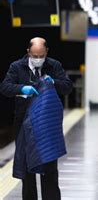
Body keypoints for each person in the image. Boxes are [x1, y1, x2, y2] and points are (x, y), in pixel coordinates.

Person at [0, 37, 73, 200]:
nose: (38, 59)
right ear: (28, 53)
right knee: (27, 172)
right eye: (35, 56)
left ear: (47, 52)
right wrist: (21, 88)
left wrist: (53, 82)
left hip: (47, 127)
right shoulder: (17, 67)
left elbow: (68, 86)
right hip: (24, 126)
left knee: (50, 172)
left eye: (41, 56)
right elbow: (5, 87)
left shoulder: (54, 66)